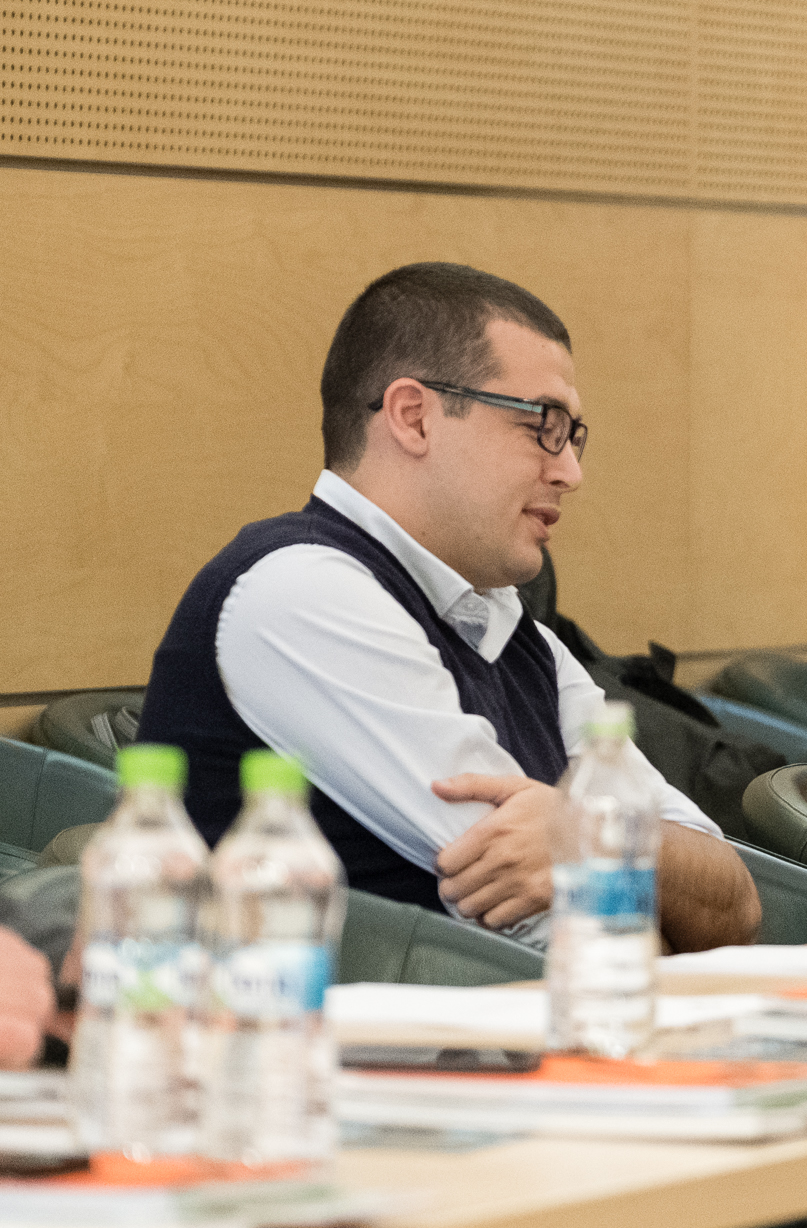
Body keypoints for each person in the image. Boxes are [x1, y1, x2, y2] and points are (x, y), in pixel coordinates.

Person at [137, 263, 759, 952]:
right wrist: (638, 862)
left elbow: (733, 903)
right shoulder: (301, 592)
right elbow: (588, 942)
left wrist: (591, 834)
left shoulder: (519, 638)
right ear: (414, 417)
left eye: (573, 435)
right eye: (543, 425)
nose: (570, 472)